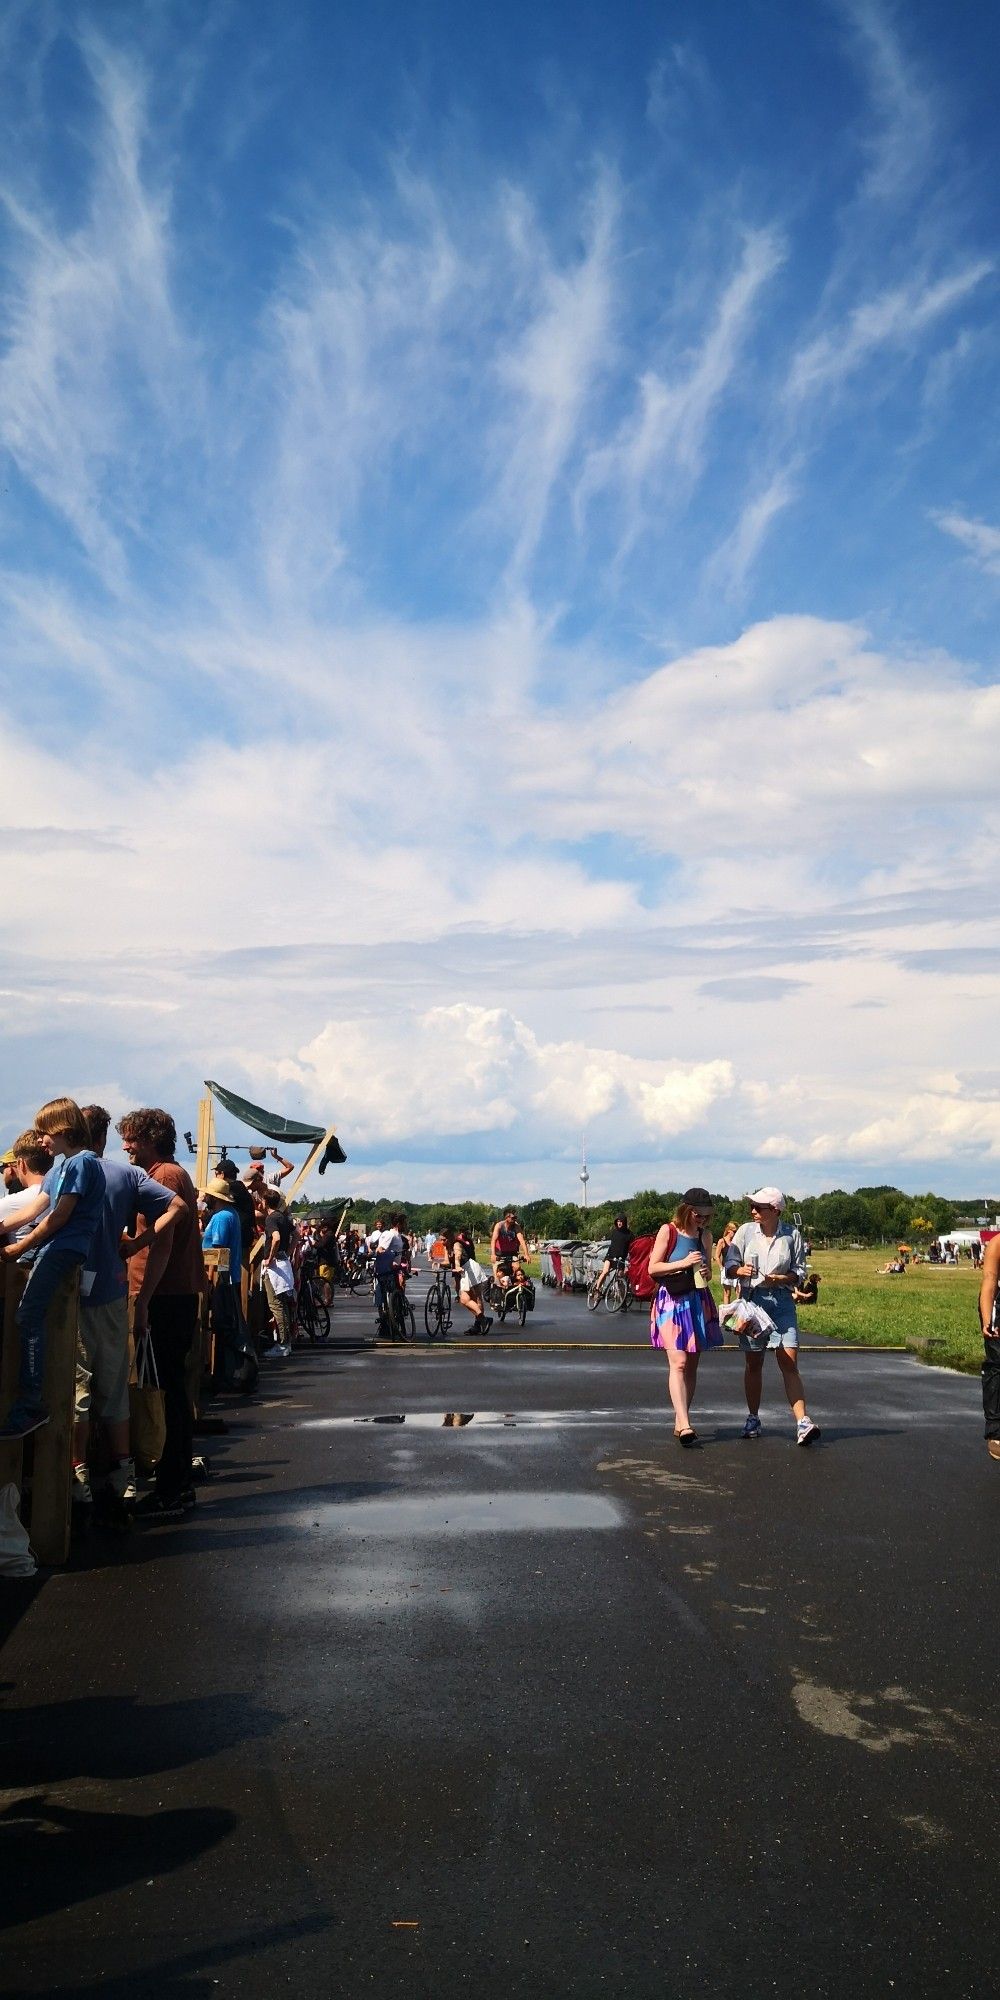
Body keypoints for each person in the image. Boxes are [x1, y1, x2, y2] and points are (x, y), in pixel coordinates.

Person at [74, 1105, 184, 1527]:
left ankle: (77, 1475)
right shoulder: (127, 1176)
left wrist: (139, 1243)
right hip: (115, 1292)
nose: (125, 1144)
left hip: (77, 1296)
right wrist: (135, 1242)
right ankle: (123, 1477)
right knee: (114, 1386)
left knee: (77, 1388)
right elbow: (177, 1207)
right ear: (102, 1136)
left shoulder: (64, 1173)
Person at [117, 1107, 205, 1520]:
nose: (125, 1146)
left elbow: (163, 1246)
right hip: (173, 1295)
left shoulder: (164, 1176)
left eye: (132, 1138)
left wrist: (145, 1302)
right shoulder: (169, 1174)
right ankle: (177, 1484)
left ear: (151, 1138)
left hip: (166, 1297)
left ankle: (172, 1487)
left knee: (163, 1392)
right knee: (170, 1390)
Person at [0, 1097, 106, 1440]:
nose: (41, 1139)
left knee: (28, 1316)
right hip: (48, 1246)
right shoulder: (60, 1168)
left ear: (62, 1130)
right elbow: (33, 1211)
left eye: (45, 1132)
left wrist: (19, 1246)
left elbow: (59, 1217)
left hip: (63, 1248)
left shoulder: (81, 1164)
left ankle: (32, 1404)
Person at [730, 1188, 820, 1446]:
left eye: (759, 1207)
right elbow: (729, 1263)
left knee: (789, 1362)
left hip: (781, 1301)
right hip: (753, 1301)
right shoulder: (745, 1231)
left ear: (776, 1210)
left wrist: (782, 1278)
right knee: (754, 1363)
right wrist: (740, 1270)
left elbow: (799, 1271)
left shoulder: (792, 1234)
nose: (753, 1211)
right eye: (753, 1207)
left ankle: (803, 1422)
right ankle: (753, 1417)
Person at [648, 1187, 722, 1448]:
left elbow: (709, 1273)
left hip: (697, 1300)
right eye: (697, 1215)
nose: (702, 1220)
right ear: (686, 1210)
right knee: (678, 1362)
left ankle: (681, 1421)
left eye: (706, 1216)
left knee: (691, 1364)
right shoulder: (668, 1231)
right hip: (671, 1302)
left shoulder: (706, 1235)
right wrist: (682, 1263)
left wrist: (705, 1269)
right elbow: (653, 1267)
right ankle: (685, 1422)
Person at [261, 1189, 297, 1354]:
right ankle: (286, 1341)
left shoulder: (271, 1218)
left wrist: (270, 1257)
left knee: (275, 1305)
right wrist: (288, 1252)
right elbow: (297, 1235)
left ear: (265, 1202)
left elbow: (276, 1238)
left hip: (274, 1266)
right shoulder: (283, 1217)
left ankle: (283, 1344)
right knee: (283, 1304)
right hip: (284, 1263)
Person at [978, 1233, 1000, 1461]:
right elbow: (989, 1282)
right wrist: (988, 1320)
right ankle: (996, 1432)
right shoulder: (997, 1245)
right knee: (997, 1361)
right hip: (996, 1301)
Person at [453, 1224, 492, 1334]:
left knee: (464, 1299)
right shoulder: (468, 1241)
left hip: (467, 1268)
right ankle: (478, 1325)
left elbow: (458, 1255)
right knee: (477, 1298)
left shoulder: (457, 1242)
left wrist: (456, 1265)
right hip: (474, 1266)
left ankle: (483, 1319)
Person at [592, 1215, 632, 1301]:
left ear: (624, 1222)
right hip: (610, 1256)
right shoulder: (614, 1232)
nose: (619, 1223)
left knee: (620, 1279)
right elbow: (613, 1245)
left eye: (621, 1221)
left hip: (621, 1259)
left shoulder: (629, 1234)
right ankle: (597, 1290)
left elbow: (632, 1247)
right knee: (605, 1271)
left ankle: (622, 1301)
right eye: (618, 1221)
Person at [491, 1209, 529, 1294]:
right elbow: (493, 1240)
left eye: (516, 1217)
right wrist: (493, 1254)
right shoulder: (499, 1225)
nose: (515, 1219)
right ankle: (497, 1295)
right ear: (507, 1217)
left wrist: (526, 1254)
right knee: (497, 1275)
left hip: (512, 1253)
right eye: (513, 1217)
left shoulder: (516, 1226)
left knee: (517, 1268)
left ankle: (513, 1289)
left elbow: (522, 1240)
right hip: (499, 1254)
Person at [713, 1220, 740, 1302]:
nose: (736, 1233)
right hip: (726, 1269)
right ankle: (726, 1312)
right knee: (727, 1293)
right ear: (729, 1230)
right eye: (734, 1231)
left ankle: (739, 1313)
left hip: (737, 1269)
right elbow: (716, 1256)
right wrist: (721, 1268)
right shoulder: (722, 1241)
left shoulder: (737, 1241)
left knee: (739, 1292)